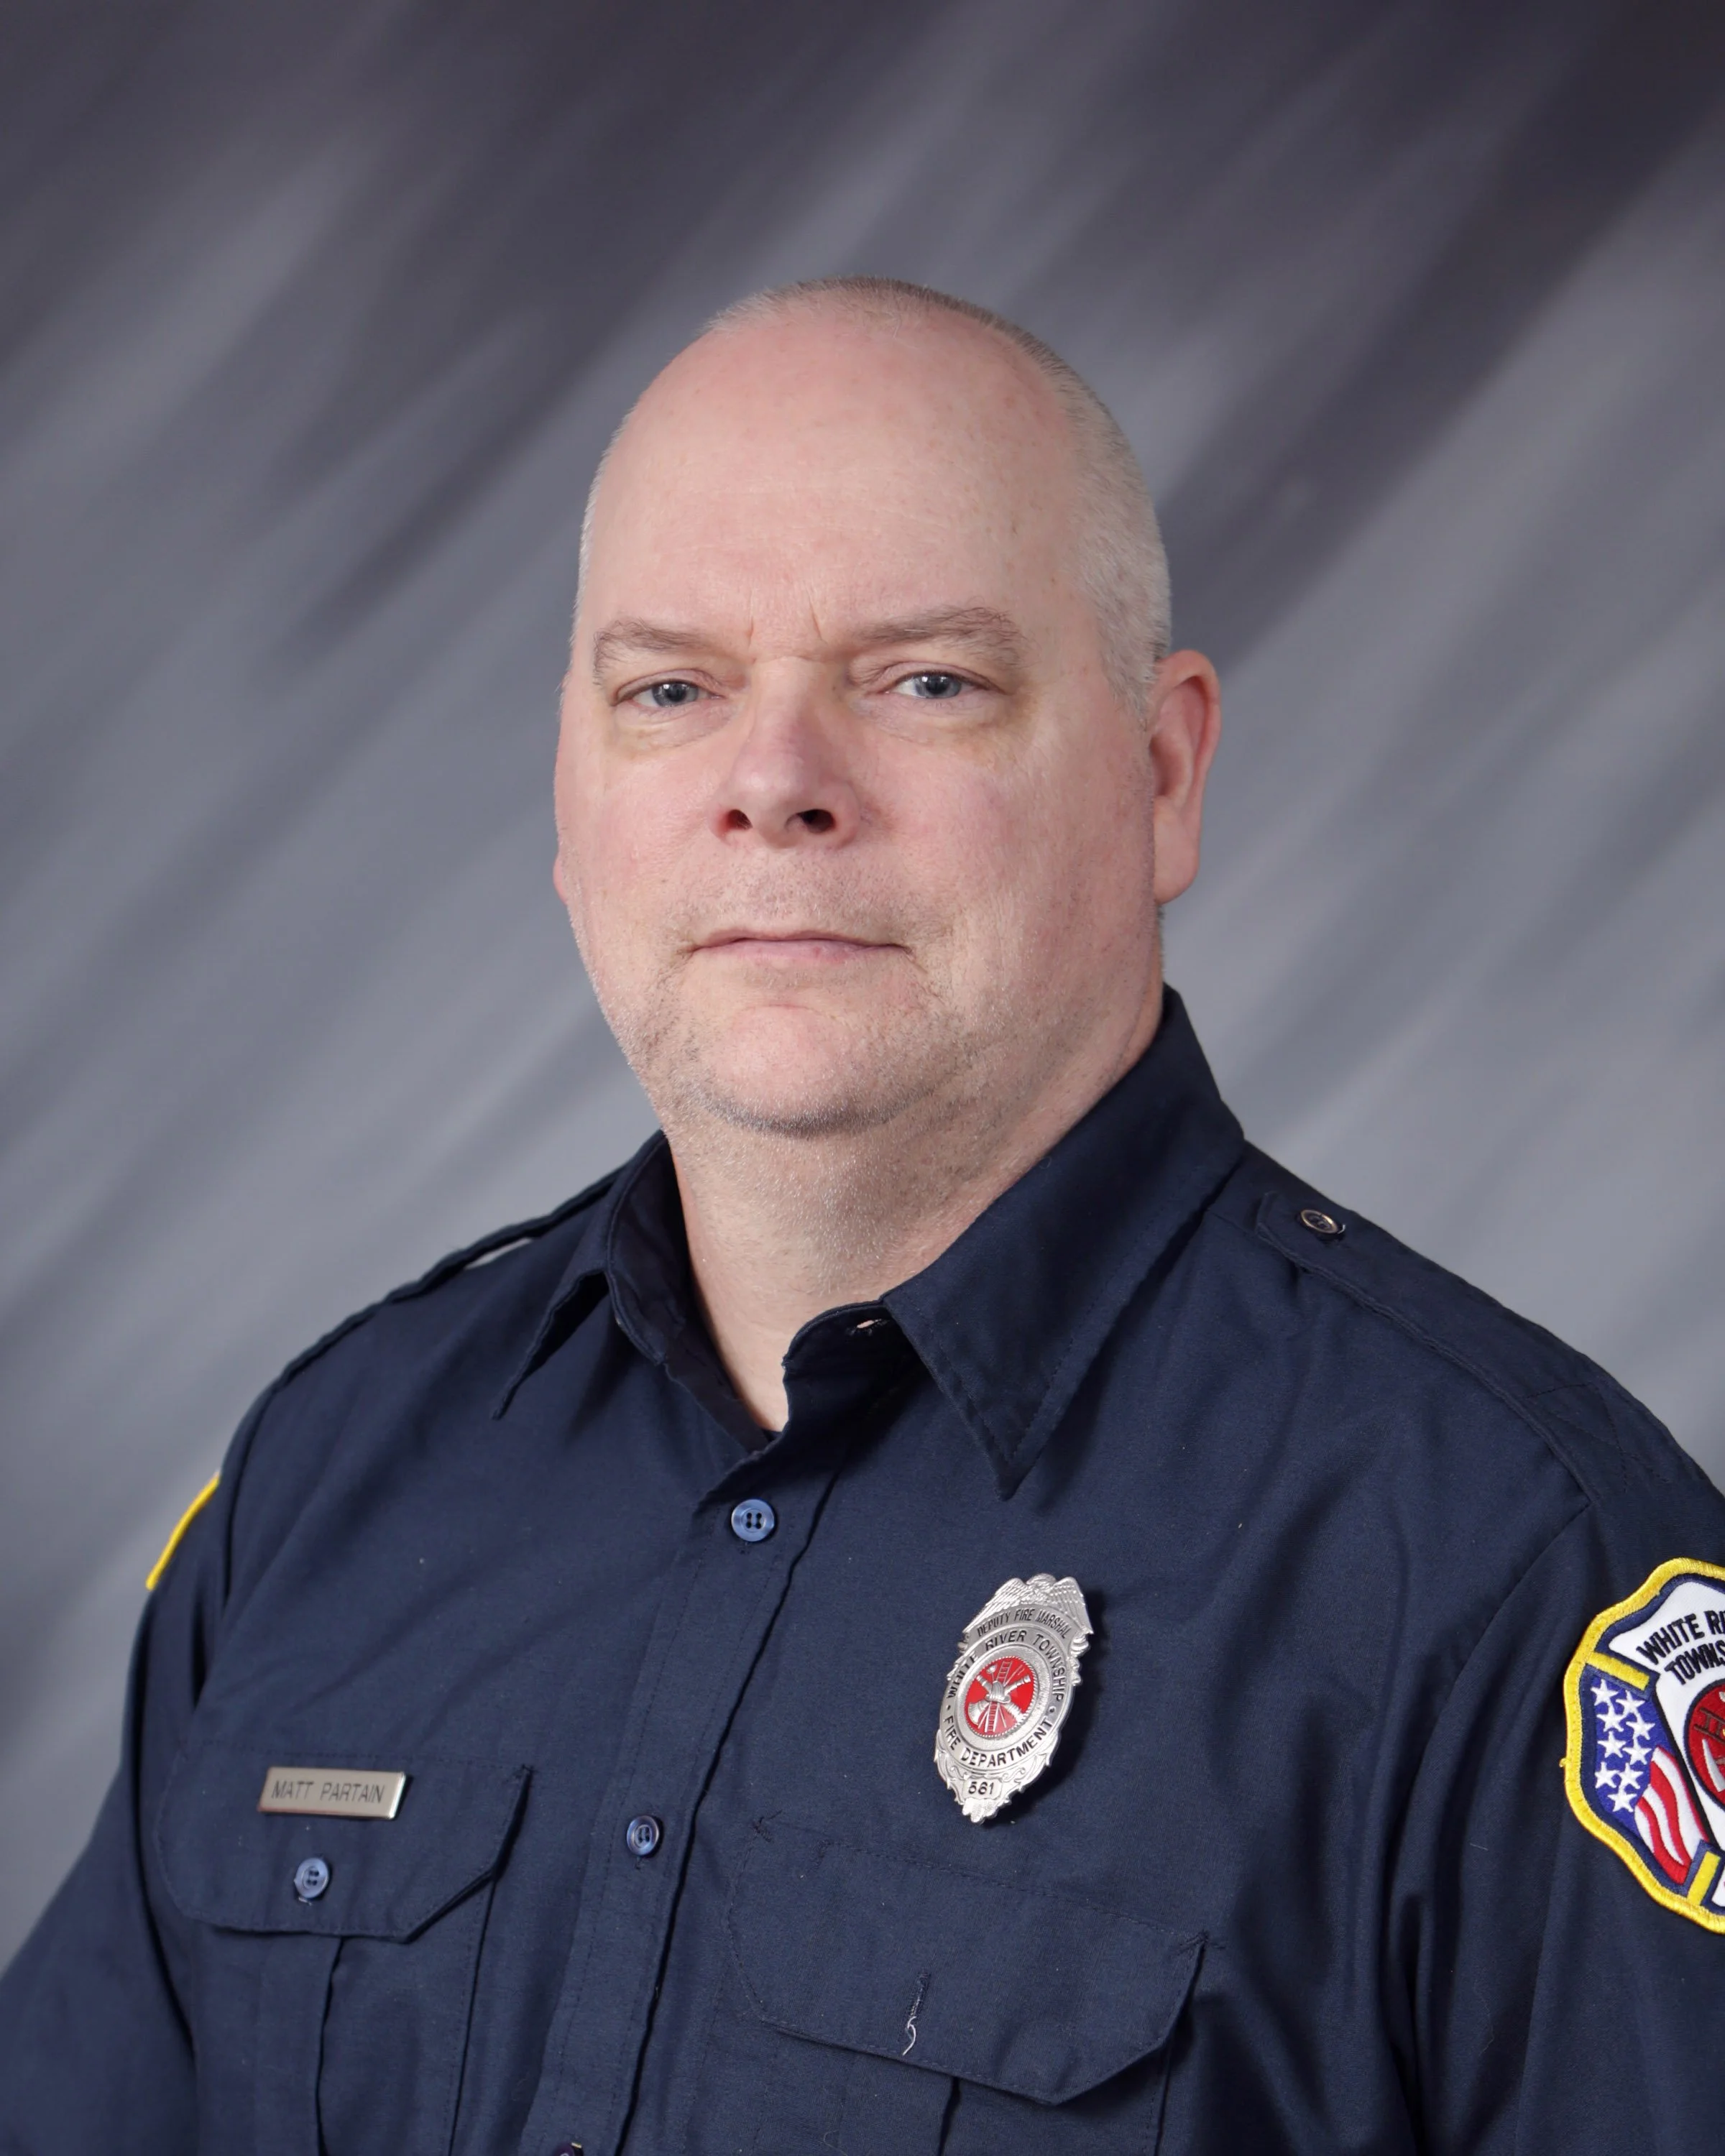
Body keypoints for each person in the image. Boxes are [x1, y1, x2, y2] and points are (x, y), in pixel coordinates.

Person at [1, 276, 1720, 2156]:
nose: (775, 787)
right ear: (570, 798)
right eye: (672, 690)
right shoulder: (330, 1489)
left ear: (1162, 772)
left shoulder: (1505, 1571)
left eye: (924, 681)